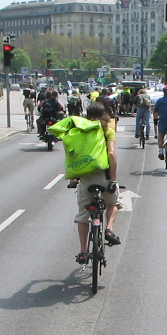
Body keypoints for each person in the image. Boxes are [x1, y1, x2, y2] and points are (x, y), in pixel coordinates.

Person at [74, 102, 121, 263]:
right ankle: (108, 229)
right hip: (104, 176)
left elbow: (74, 153)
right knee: (113, 203)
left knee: (82, 215)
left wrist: (74, 177)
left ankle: (82, 252)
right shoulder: (107, 130)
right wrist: (113, 180)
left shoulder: (80, 130)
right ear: (104, 115)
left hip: (86, 177)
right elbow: (111, 154)